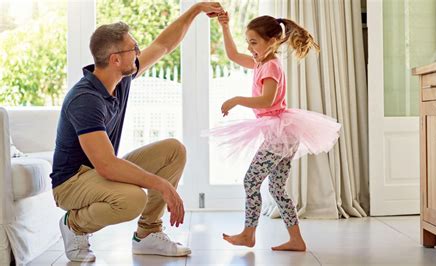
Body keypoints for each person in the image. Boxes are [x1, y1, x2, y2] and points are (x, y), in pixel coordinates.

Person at [50, 2, 224, 262]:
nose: (139, 52)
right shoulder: (85, 99)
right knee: (132, 199)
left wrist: (196, 10)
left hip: (96, 172)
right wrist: (161, 184)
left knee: (173, 150)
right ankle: (74, 225)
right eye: (134, 48)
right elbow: (107, 165)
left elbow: (163, 45)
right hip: (71, 182)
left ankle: (147, 235)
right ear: (115, 59)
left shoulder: (121, 80)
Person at [208, 13, 341, 251]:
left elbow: (267, 100)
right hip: (282, 133)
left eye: (254, 42)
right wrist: (225, 26)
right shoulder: (261, 62)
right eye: (248, 42)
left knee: (251, 181)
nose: (249, 48)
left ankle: (248, 234)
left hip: (280, 134)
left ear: (272, 41)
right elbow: (232, 55)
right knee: (276, 188)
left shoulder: (270, 66)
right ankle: (296, 239)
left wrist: (237, 99)